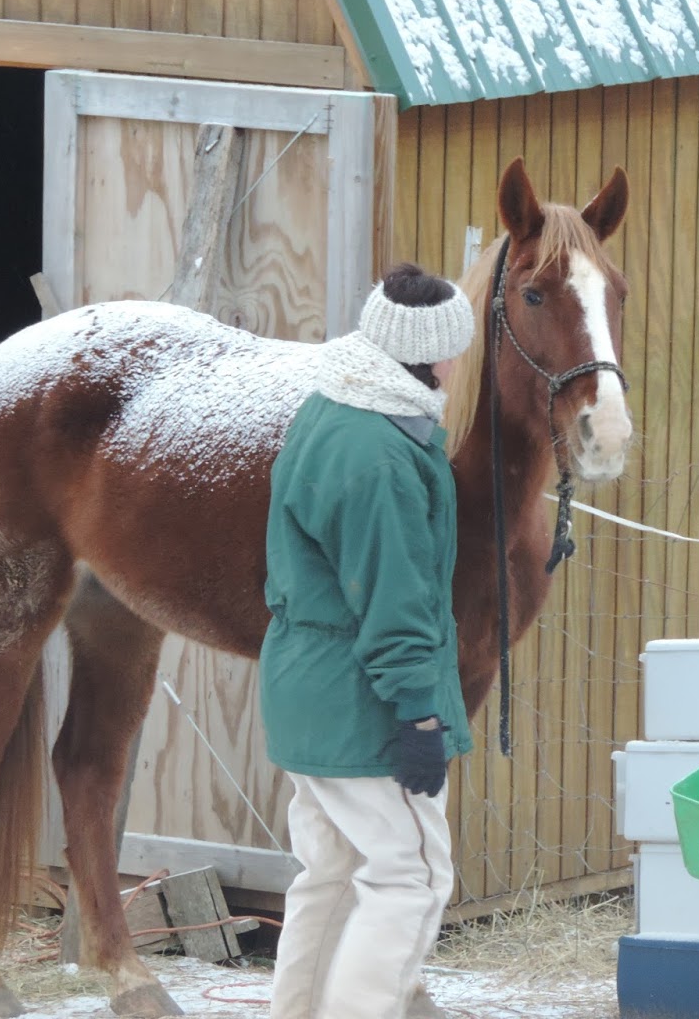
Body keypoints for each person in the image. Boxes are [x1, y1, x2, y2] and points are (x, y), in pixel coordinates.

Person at [261, 262, 477, 1019]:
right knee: (410, 878)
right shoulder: (379, 456)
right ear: (430, 356)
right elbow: (393, 599)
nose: (461, 365)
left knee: (331, 874)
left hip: (309, 689)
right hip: (361, 707)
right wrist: (418, 713)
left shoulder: (332, 408)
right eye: (456, 350)